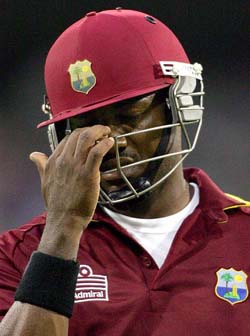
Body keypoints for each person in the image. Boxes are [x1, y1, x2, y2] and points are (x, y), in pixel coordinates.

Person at [0, 8, 249, 336]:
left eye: (129, 114)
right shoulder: (18, 252)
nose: (109, 141)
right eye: (85, 126)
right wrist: (63, 230)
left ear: (180, 102)